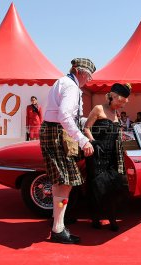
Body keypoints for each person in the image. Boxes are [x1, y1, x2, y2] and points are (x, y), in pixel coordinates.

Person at [39, 58, 96, 244]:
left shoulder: (62, 82)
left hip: (52, 131)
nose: (88, 80)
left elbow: (66, 114)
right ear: (79, 71)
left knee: (60, 182)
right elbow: (65, 115)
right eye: (88, 75)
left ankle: (58, 224)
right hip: (58, 134)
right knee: (66, 181)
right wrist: (83, 140)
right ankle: (58, 229)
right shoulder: (71, 87)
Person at [83, 83, 131, 231]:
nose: (120, 106)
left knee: (112, 187)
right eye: (119, 102)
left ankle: (111, 217)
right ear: (112, 97)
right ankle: (96, 218)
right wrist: (92, 142)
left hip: (112, 156)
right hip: (97, 154)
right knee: (97, 186)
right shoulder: (98, 108)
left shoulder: (115, 113)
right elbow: (86, 128)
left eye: (122, 104)